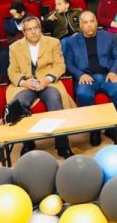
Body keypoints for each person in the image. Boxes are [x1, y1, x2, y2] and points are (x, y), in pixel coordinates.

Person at [7, 16, 75, 157]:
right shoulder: (14, 47)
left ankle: (62, 145)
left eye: (36, 28)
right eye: (29, 29)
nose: (33, 32)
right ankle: (28, 143)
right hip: (26, 85)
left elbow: (60, 66)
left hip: (48, 83)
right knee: (19, 102)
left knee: (55, 100)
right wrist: (24, 82)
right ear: (24, 32)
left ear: (40, 28)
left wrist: (47, 79)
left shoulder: (53, 42)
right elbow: (12, 71)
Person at [62, 11, 117, 146]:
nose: (89, 25)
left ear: (97, 22)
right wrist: (80, 74)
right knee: (82, 94)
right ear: (80, 25)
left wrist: (113, 71)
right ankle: (94, 129)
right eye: (85, 22)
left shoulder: (108, 37)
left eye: (92, 21)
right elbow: (68, 63)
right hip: (87, 77)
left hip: (107, 75)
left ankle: (112, 127)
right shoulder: (71, 42)